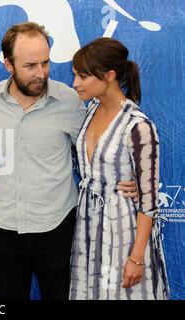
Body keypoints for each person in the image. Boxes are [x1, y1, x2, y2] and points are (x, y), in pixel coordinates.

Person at [0, 22, 138, 300]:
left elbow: (94, 152)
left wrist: (126, 180)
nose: (41, 73)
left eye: (46, 62)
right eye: (30, 66)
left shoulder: (70, 99)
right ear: (8, 65)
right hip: (4, 233)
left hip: (58, 231)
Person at [69, 37, 170, 300]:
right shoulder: (90, 110)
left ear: (109, 75)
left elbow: (148, 202)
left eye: (82, 76)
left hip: (123, 231)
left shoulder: (138, 125)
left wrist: (136, 258)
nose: (75, 83)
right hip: (89, 228)